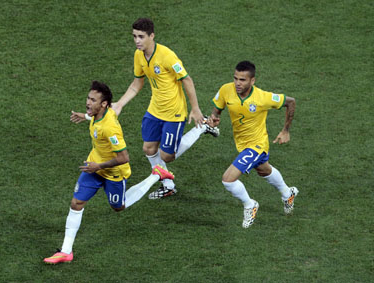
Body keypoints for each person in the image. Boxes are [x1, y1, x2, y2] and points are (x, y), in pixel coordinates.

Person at [44, 81, 174, 264]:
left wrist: (98, 167)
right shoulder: (100, 114)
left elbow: (124, 157)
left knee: (118, 207)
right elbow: (99, 118)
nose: (88, 103)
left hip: (114, 173)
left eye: (93, 100)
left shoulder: (110, 128)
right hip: (94, 166)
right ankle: (66, 251)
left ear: (103, 104)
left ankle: (156, 174)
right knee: (76, 203)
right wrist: (85, 116)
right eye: (88, 98)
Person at [112, 18, 219, 199]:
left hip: (174, 112)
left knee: (167, 156)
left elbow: (187, 79)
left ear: (152, 36)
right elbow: (138, 83)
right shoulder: (139, 55)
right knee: (148, 148)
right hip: (155, 109)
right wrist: (120, 103)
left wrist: (195, 109)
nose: (137, 40)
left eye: (141, 36)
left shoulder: (167, 56)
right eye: (134, 36)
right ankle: (168, 185)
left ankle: (202, 127)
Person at [206, 61, 299, 228]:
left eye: (242, 80)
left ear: (252, 81)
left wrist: (285, 130)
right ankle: (287, 193)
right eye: (235, 78)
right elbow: (217, 109)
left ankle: (250, 205)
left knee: (228, 180)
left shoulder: (262, 97)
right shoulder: (226, 90)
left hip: (257, 145)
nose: (237, 83)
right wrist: (214, 119)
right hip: (241, 144)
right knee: (264, 170)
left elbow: (290, 102)